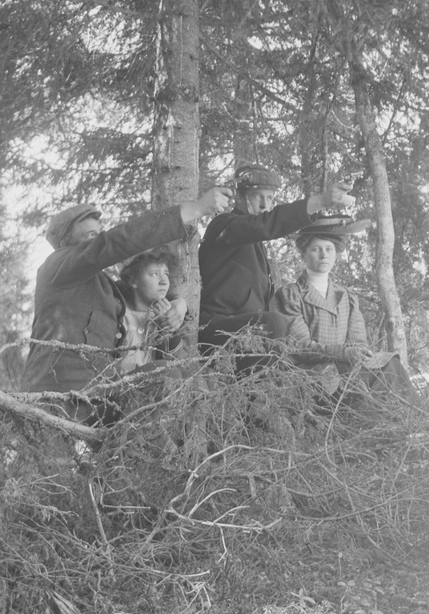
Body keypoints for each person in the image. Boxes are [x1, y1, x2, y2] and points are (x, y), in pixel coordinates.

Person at [21, 188, 232, 422]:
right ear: (65, 244)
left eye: (100, 234)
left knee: (182, 379)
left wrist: (178, 302)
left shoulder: (98, 284)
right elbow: (116, 243)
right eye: (92, 236)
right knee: (162, 374)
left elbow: (140, 292)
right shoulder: (57, 266)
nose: (100, 239)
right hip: (57, 395)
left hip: (98, 395)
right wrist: (194, 209)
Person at [197, 164, 356, 360]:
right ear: (238, 197)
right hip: (215, 330)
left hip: (246, 339)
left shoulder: (254, 242)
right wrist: (320, 202)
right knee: (273, 323)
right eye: (258, 197)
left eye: (270, 198)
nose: (265, 205)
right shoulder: (224, 226)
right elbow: (265, 225)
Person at [274, 216, 417, 403]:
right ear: (303, 255)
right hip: (312, 371)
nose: (324, 255)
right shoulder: (291, 294)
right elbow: (300, 347)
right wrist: (345, 353)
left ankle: (408, 424)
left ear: (336, 254)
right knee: (348, 382)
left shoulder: (347, 296)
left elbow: (358, 342)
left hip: (345, 364)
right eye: (316, 249)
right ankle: (368, 421)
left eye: (329, 249)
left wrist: (359, 354)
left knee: (391, 364)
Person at [114, 249, 182, 376]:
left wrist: (166, 331)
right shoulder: (118, 315)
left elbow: (175, 362)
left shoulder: (170, 316)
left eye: (166, 274)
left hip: (154, 390)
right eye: (154, 274)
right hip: (117, 389)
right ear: (133, 280)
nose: (164, 281)